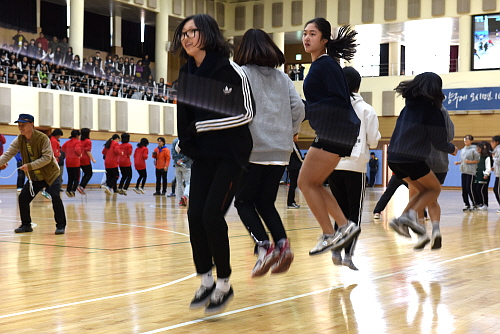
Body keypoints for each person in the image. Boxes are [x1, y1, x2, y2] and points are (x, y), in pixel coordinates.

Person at [172, 14, 254, 313]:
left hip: (232, 155)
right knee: (195, 216)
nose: (187, 37)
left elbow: (246, 114)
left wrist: (201, 128)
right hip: (204, 156)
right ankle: (206, 280)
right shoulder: (186, 72)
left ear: (207, 33)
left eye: (192, 31)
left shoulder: (230, 70)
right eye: (183, 33)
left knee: (211, 216)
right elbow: (184, 118)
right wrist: (187, 142)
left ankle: (224, 283)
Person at [233, 28, 304, 277]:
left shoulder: (240, 73)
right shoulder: (283, 78)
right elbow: (299, 109)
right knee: (264, 201)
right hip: (281, 150)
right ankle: (283, 245)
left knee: (242, 201)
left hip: (253, 149)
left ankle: (265, 247)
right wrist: (290, 132)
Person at [298, 18, 361, 256]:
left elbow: (338, 99)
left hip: (335, 130)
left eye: (312, 34)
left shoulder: (325, 65)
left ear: (324, 40)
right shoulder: (321, 65)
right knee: (312, 183)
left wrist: (307, 109)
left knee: (305, 182)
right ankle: (345, 227)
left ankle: (329, 233)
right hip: (334, 130)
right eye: (305, 33)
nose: (306, 38)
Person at [387, 72, 457, 247]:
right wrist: (452, 149)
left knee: (422, 191)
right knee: (434, 190)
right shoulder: (433, 111)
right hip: (412, 159)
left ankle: (404, 219)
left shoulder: (407, 108)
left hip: (394, 158)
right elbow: (440, 142)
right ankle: (405, 218)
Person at [328, 66, 380, 270]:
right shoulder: (366, 109)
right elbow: (374, 141)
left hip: (332, 164)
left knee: (339, 210)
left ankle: (335, 249)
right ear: (359, 85)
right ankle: (348, 255)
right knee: (353, 213)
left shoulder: (332, 108)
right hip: (355, 166)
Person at [0, 114, 66, 234]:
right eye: (19, 125)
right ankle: (26, 225)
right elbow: (8, 154)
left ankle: (60, 225)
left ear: (32, 124)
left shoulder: (43, 138)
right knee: (23, 198)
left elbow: (47, 158)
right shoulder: (19, 139)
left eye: (23, 125)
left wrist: (29, 166)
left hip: (51, 174)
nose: (20, 127)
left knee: (55, 197)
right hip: (35, 177)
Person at [454, 135, 480, 211]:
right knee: (464, 189)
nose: (465, 140)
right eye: (465, 139)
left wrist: (469, 162)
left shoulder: (474, 150)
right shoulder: (462, 149)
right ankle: (466, 204)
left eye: (467, 139)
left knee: (470, 188)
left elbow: (478, 160)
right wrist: (459, 162)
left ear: (471, 141)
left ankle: (475, 204)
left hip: (471, 171)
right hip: (464, 170)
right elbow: (463, 160)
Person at [171, 138, 191, 206]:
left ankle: (180, 200)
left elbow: (173, 152)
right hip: (186, 165)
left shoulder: (175, 141)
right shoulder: (188, 140)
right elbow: (189, 153)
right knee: (188, 182)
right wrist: (183, 160)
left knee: (179, 183)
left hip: (177, 165)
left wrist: (177, 160)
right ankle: (185, 196)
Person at [61, 130, 82, 197]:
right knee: (77, 178)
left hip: (68, 162)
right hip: (75, 162)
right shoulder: (77, 142)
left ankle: (68, 190)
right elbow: (77, 150)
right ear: (77, 136)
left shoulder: (67, 142)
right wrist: (80, 154)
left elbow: (62, 149)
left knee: (70, 177)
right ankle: (73, 190)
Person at [473, 141, 492, 211]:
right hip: (476, 175)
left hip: (482, 175)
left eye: (478, 148)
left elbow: (488, 167)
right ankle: (478, 203)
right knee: (474, 189)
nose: (477, 149)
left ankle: (484, 204)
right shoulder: (475, 157)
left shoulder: (486, 157)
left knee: (480, 190)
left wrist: (486, 174)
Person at [78, 128, 97, 194]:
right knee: (89, 173)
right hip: (85, 159)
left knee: (86, 173)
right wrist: (92, 159)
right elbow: (87, 151)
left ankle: (81, 185)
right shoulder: (88, 141)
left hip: (79, 159)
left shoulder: (79, 141)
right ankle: (82, 186)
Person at [287, 141, 303, 209]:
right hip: (294, 167)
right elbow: (298, 154)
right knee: (293, 185)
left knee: (293, 185)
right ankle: (290, 202)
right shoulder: (292, 143)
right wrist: (303, 161)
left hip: (292, 167)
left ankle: (291, 201)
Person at [491, 136, 500, 213]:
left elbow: (499, 160)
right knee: (496, 190)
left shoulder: (499, 149)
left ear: (496, 142)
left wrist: (493, 158)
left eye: (492, 142)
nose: (491, 143)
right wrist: (494, 167)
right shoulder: (497, 149)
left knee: (497, 190)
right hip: (498, 172)